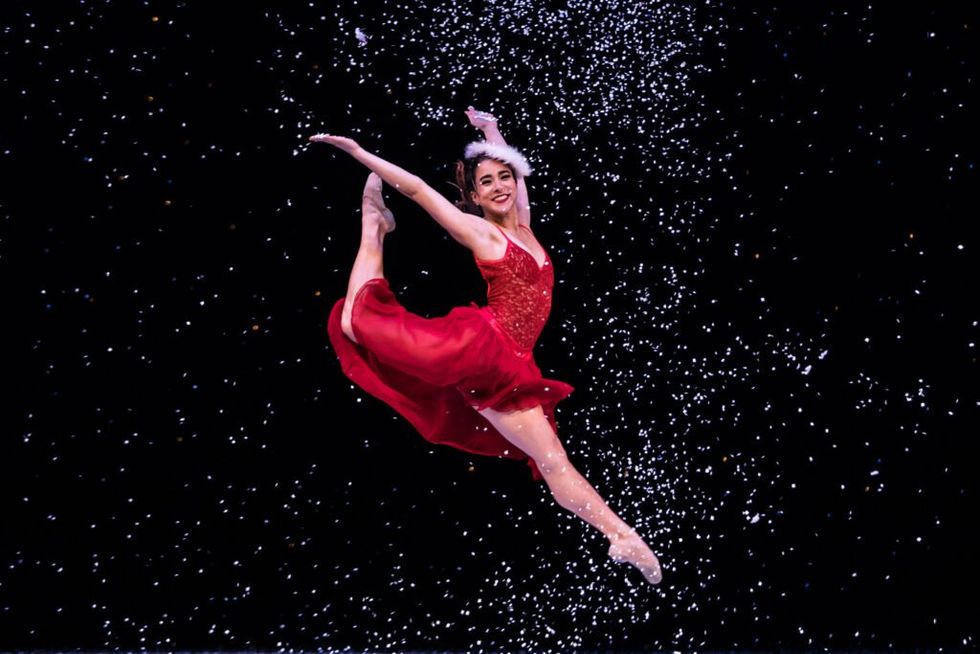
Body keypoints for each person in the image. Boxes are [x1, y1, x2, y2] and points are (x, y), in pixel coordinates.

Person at [310, 107, 662, 585]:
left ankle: (620, 536)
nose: (500, 187)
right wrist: (361, 155)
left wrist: (491, 132)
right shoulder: (482, 233)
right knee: (356, 321)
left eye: (505, 178)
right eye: (487, 183)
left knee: (552, 460)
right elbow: (416, 188)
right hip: (480, 347)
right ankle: (373, 225)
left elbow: (513, 176)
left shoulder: (525, 225)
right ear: (474, 197)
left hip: (514, 364)